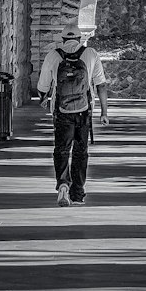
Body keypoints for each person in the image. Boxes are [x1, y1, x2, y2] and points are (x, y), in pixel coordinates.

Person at [37, 27, 109, 207]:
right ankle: (78, 192)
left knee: (61, 149)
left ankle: (62, 184)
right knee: (81, 151)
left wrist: (44, 98)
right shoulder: (91, 53)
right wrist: (104, 113)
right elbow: (101, 85)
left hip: (61, 111)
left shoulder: (53, 55)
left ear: (62, 39)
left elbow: (42, 86)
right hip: (84, 110)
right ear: (80, 38)